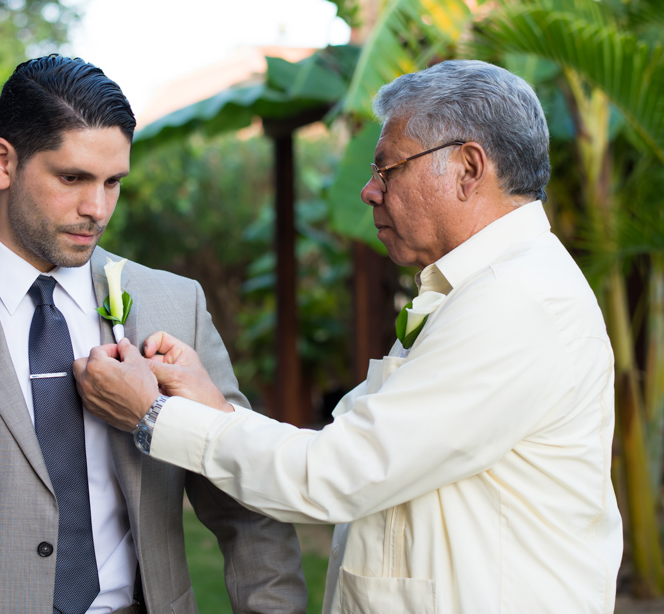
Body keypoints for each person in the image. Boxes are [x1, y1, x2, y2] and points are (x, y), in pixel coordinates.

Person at [74, 60, 624, 614]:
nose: (369, 191)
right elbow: (354, 446)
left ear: (468, 168)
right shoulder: (484, 288)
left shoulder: (515, 303)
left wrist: (153, 415)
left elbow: (335, 475)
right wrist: (212, 404)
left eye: (389, 170)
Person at [0, 54, 307, 614]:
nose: (96, 209)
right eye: (72, 178)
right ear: (4, 163)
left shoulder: (175, 306)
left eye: (113, 183)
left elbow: (246, 506)